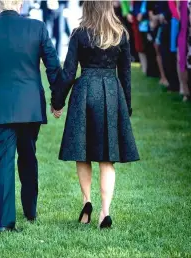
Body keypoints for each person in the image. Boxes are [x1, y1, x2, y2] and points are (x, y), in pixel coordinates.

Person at [0, 0, 62, 234]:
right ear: (20, 4)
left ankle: (5, 222)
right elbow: (53, 66)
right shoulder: (37, 28)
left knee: (4, 162)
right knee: (28, 157)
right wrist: (57, 101)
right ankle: (30, 211)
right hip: (29, 107)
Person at [51, 1, 140, 229]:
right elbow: (126, 75)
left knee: (83, 151)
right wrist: (125, 108)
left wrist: (57, 102)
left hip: (84, 92)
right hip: (111, 93)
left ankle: (86, 202)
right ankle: (105, 211)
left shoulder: (79, 34)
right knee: (107, 157)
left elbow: (69, 72)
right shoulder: (120, 34)